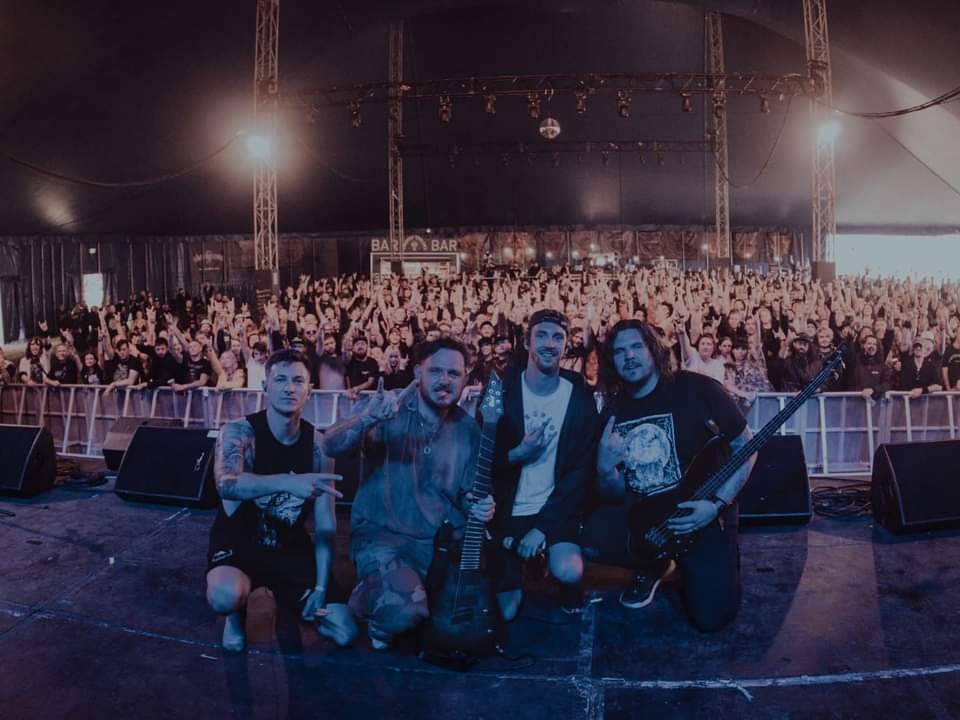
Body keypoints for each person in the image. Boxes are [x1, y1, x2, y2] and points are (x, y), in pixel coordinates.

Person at [581, 320, 756, 632]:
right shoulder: (613, 410)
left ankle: (708, 557)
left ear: (654, 350)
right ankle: (653, 561)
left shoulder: (697, 388)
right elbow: (612, 493)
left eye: (636, 347)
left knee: (711, 618)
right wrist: (605, 467)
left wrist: (717, 504)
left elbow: (747, 446)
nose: (629, 357)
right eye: (620, 352)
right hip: (648, 519)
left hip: (700, 514)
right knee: (582, 540)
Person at [321, 338, 494, 650]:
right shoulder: (387, 408)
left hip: (437, 545)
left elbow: (469, 496)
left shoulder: (469, 429)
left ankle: (401, 596)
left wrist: (481, 506)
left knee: (488, 613)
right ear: (418, 372)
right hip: (385, 539)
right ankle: (364, 607)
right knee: (407, 612)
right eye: (436, 371)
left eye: (454, 374)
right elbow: (329, 445)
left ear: (465, 377)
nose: (445, 380)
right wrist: (367, 418)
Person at [206, 349, 356, 652]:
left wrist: (321, 586)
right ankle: (236, 616)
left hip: (288, 547)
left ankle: (295, 600)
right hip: (240, 544)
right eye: (281, 380)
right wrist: (289, 481)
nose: (289, 387)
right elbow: (226, 484)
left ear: (309, 390)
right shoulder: (238, 433)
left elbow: (326, 523)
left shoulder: (318, 446)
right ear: (265, 386)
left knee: (344, 631)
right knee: (224, 596)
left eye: (298, 380)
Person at [490, 309, 599, 619]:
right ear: (527, 342)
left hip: (555, 507)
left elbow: (581, 469)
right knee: (506, 613)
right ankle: (523, 559)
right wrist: (517, 455)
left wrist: (543, 526)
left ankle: (550, 564)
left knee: (569, 570)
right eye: (542, 335)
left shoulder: (577, 391)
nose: (550, 344)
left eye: (558, 338)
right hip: (510, 509)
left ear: (565, 346)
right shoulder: (501, 389)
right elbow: (483, 460)